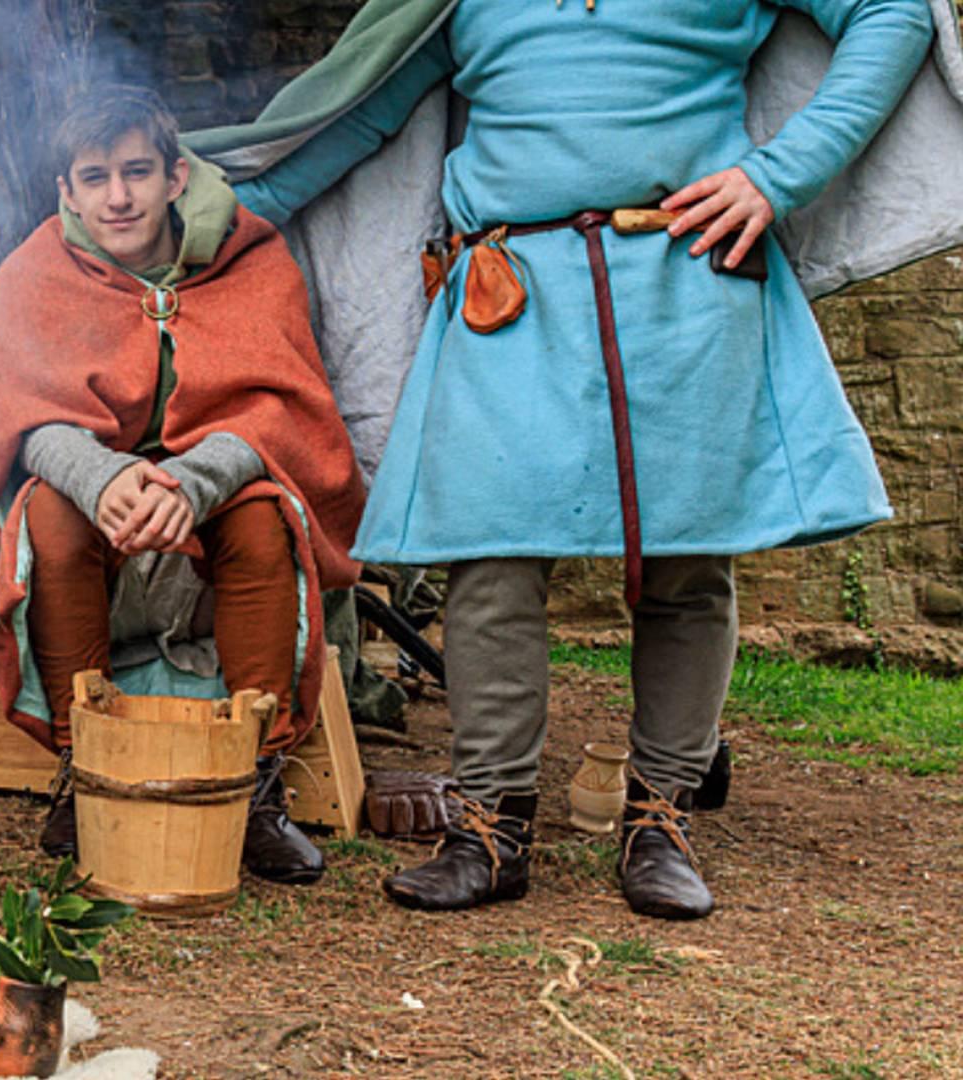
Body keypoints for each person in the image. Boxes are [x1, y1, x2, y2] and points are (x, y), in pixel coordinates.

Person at [183, 0, 952, 917]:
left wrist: (779, 176)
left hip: (689, 281)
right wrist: (186, 229)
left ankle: (659, 819)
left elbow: (897, 12)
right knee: (490, 565)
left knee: (687, 565)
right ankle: (490, 829)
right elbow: (356, 114)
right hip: (508, 296)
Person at [0, 87, 367, 884]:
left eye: (137, 172)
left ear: (177, 176)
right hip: (96, 505)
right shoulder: (38, 270)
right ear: (66, 192)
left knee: (260, 518)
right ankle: (84, 769)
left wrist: (190, 486)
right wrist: (103, 479)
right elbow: (13, 418)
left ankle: (258, 787)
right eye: (95, 177)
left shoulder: (250, 258)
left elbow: (281, 412)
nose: (119, 196)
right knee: (52, 516)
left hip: (210, 499)